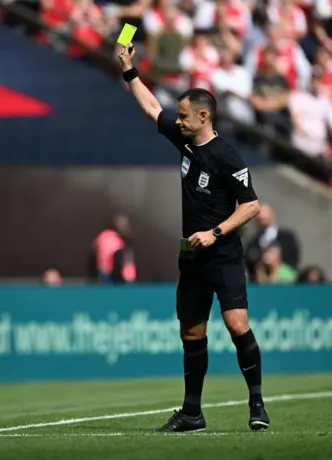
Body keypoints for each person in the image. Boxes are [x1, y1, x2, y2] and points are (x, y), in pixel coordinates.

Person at [115, 42, 270, 432]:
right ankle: (192, 413)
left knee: (237, 325)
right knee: (191, 331)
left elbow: (251, 205)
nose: (178, 120)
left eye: (184, 116)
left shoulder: (228, 157)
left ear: (204, 116)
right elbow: (151, 108)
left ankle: (257, 405)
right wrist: (129, 69)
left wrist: (215, 232)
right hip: (192, 257)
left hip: (223, 254)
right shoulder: (185, 140)